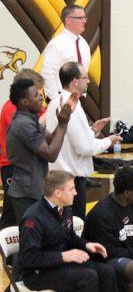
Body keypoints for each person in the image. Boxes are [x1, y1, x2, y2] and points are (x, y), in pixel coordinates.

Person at [15, 170, 133, 292]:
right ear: (58, 192)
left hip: (59, 265)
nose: (76, 193)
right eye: (71, 189)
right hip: (37, 273)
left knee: (106, 271)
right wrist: (64, 256)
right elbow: (28, 258)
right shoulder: (33, 217)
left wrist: (87, 245)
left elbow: (69, 237)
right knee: (87, 277)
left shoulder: (65, 209)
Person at [45, 62, 121, 219]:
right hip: (70, 179)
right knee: (75, 226)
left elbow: (68, 137)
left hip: (57, 175)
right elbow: (84, 148)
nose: (88, 81)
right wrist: (109, 141)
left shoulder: (55, 102)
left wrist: (91, 131)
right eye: (85, 78)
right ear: (74, 81)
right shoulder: (71, 107)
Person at [5, 78, 76, 221]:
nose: (41, 97)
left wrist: (63, 120)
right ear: (24, 102)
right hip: (26, 193)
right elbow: (51, 154)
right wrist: (62, 124)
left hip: (34, 190)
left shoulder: (30, 120)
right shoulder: (23, 125)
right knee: (33, 236)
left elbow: (51, 139)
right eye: (36, 95)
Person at [1, 69, 44, 229]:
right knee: (11, 215)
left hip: (26, 166)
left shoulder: (29, 110)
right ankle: (9, 251)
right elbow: (32, 130)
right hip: (12, 167)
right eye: (36, 92)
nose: (40, 96)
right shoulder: (11, 109)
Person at [40, 4, 92, 101]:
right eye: (80, 18)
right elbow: (47, 74)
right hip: (60, 99)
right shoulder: (56, 44)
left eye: (85, 17)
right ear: (68, 20)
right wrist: (57, 100)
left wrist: (82, 94)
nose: (84, 21)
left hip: (79, 98)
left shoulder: (83, 43)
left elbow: (84, 71)